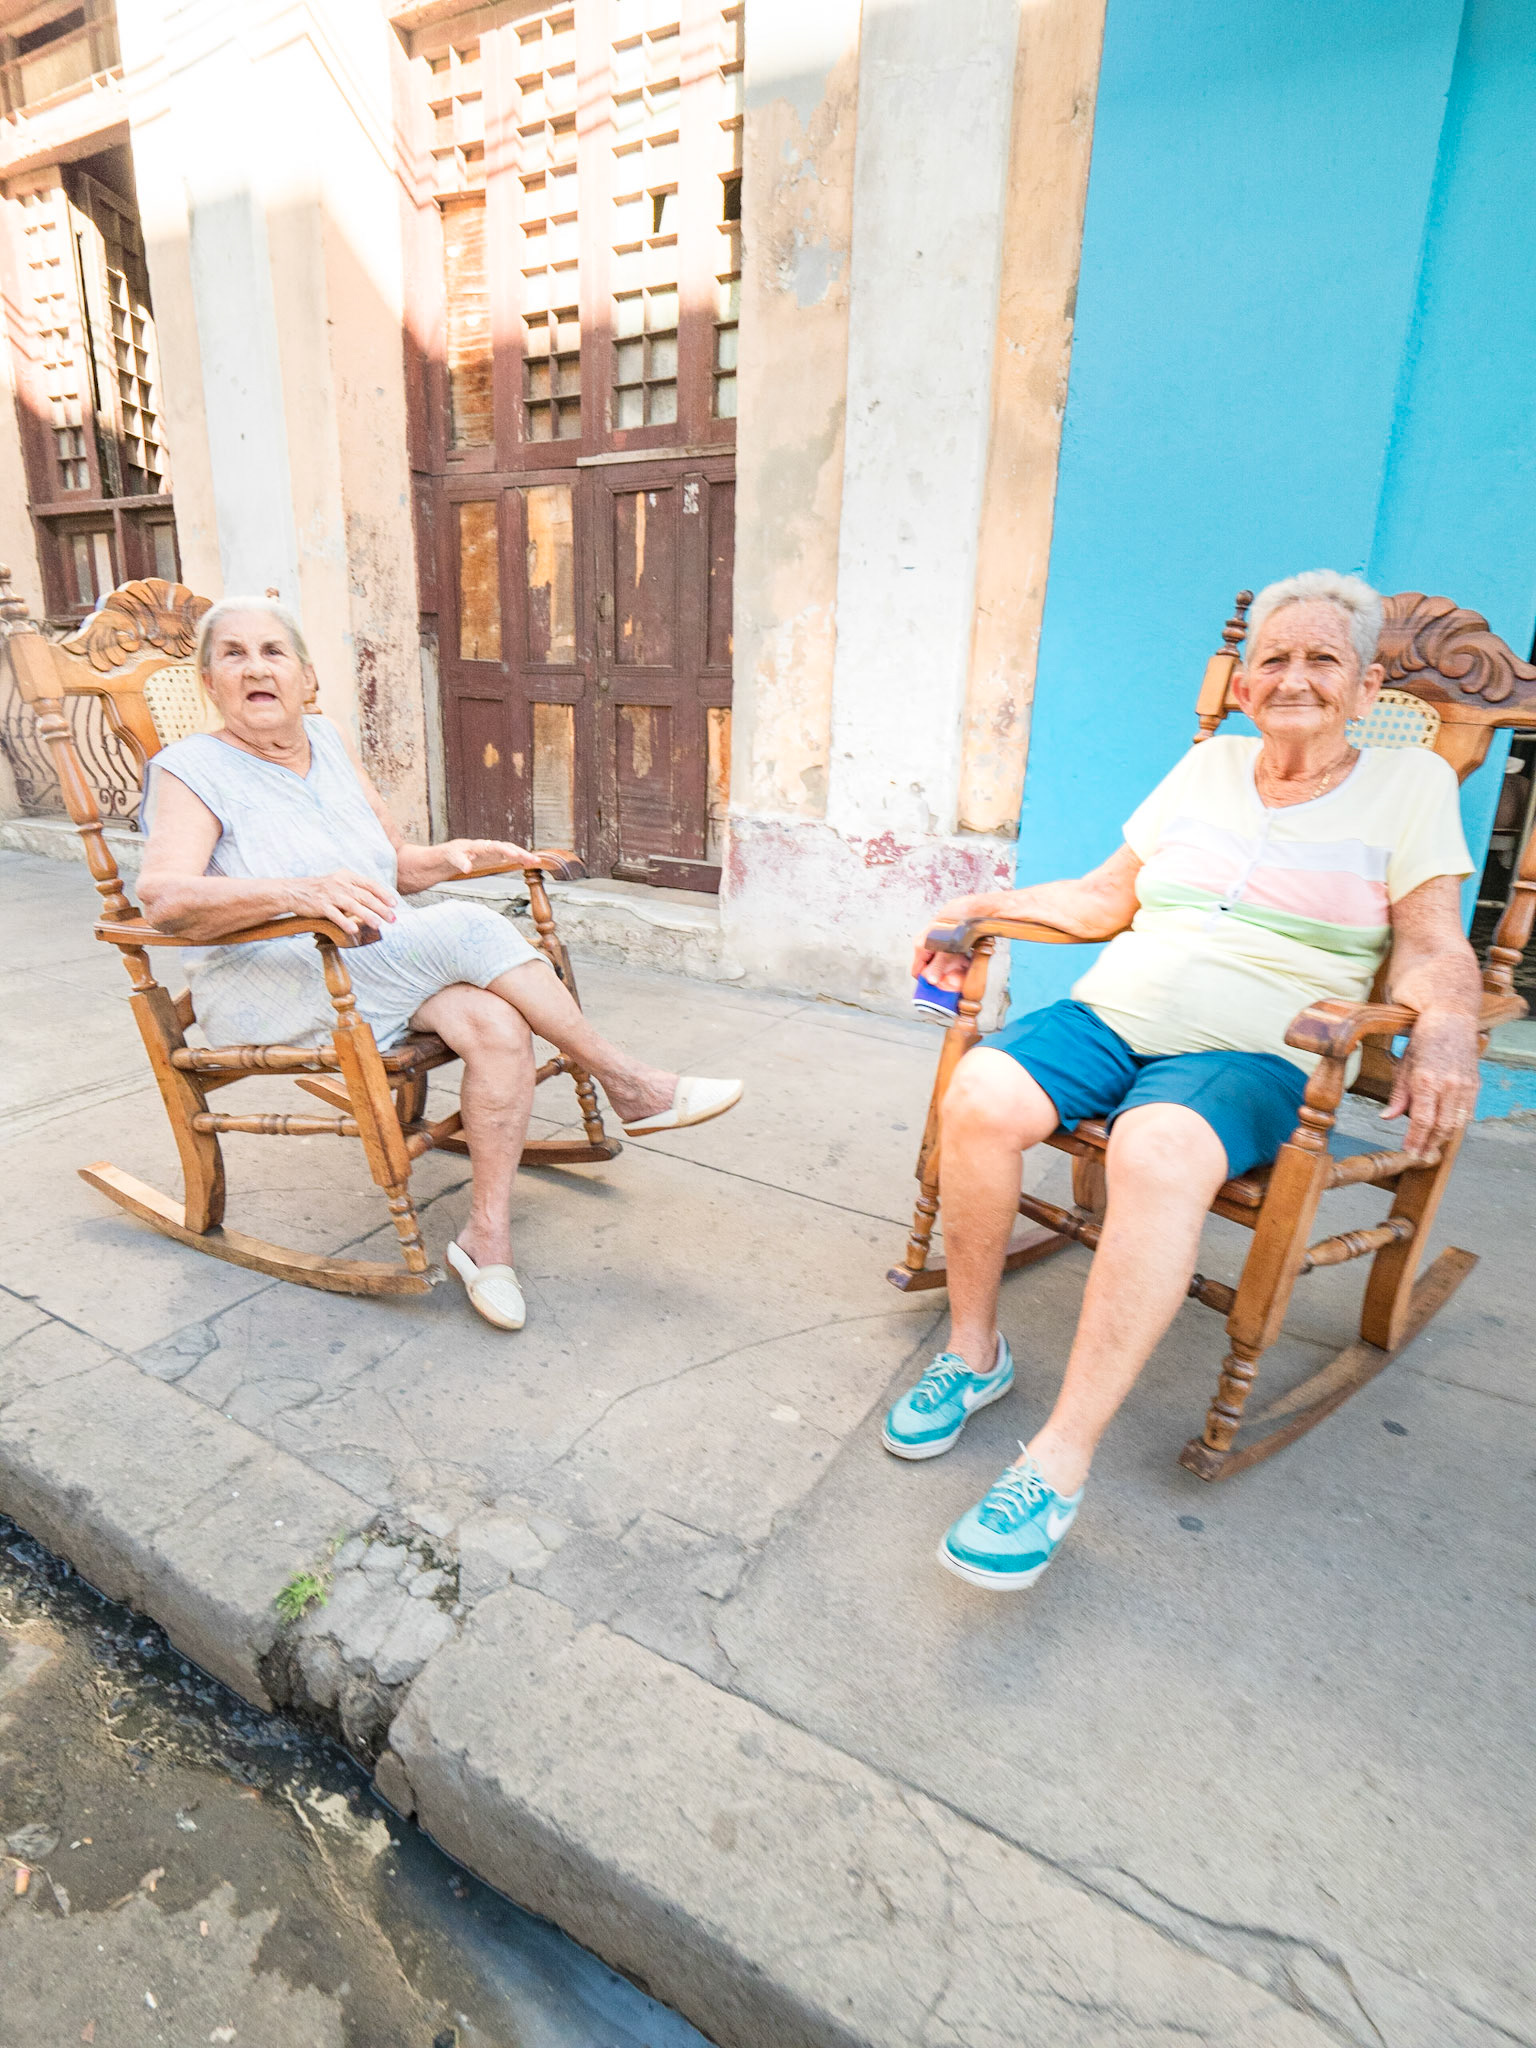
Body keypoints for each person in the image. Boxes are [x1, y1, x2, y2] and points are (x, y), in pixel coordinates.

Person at [896, 570, 1481, 1591]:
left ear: (1367, 683)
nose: (1292, 678)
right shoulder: (1210, 761)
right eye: (1273, 659)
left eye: (1321, 659)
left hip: (1257, 1050)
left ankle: (1059, 1456)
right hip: (1117, 1010)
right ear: (1244, 682)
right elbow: (1096, 900)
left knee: (1155, 1148)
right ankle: (976, 1348)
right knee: (981, 1094)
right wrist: (981, 907)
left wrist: (1449, 1025)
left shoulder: (1413, 784)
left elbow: (1433, 944)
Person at [136, 597, 741, 1332]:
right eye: (233, 654)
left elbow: (393, 866)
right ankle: (631, 1083)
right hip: (275, 975)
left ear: (307, 676)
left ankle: (486, 1238)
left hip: (368, 957)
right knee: (467, 929)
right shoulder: (193, 769)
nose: (256, 667)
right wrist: (300, 890)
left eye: (273, 651)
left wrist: (453, 858)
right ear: (209, 680)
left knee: (494, 1024)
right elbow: (162, 897)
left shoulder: (325, 742)